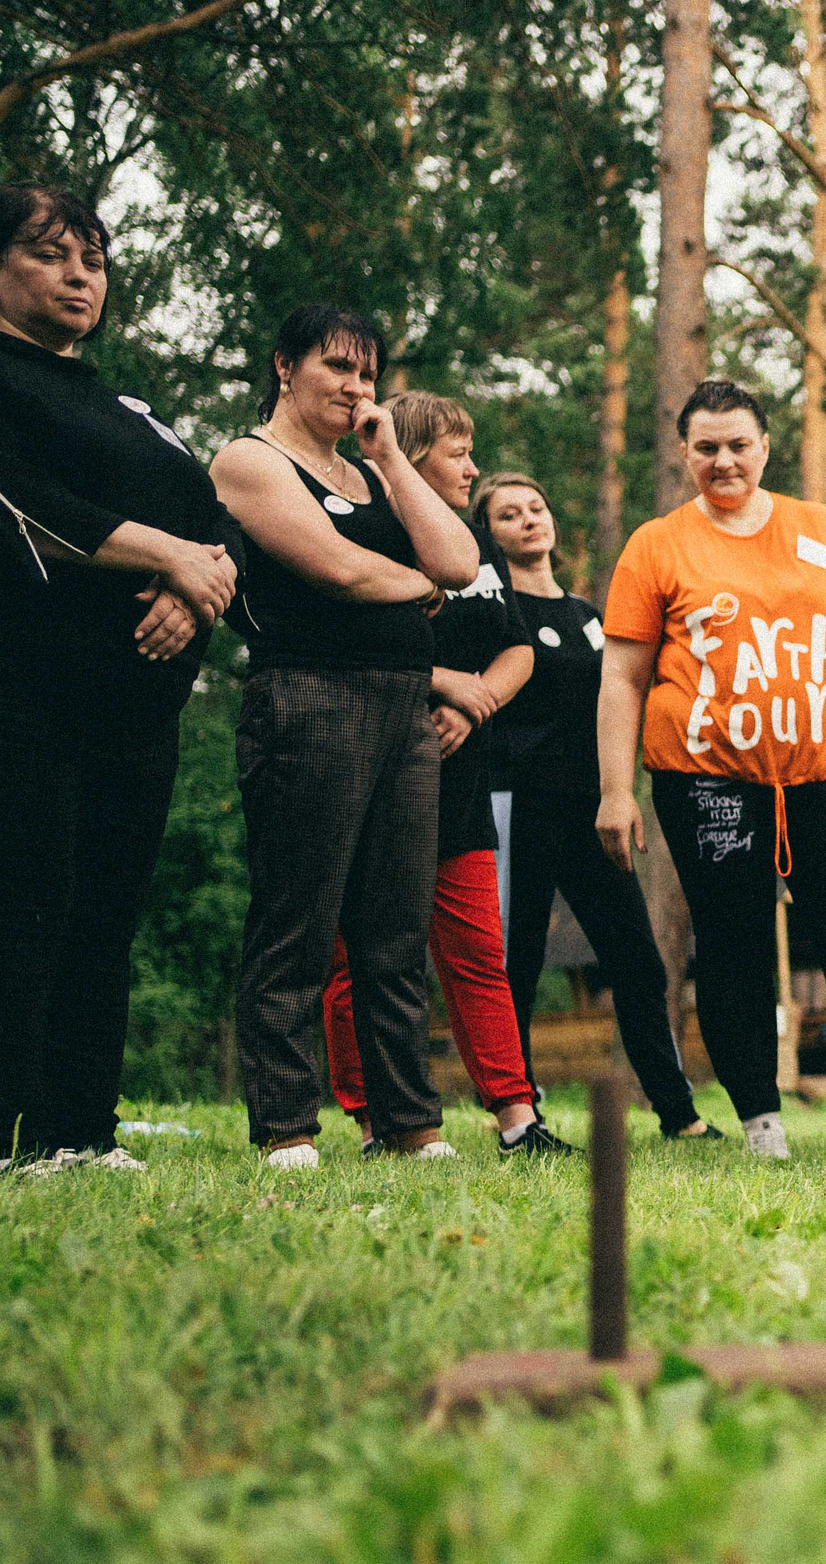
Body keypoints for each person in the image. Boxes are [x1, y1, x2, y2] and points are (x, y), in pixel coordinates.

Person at [0, 184, 240, 1177]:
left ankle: (82, 1131)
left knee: (104, 916)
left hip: (132, 702)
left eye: (95, 258)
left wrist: (197, 591)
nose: (82, 274)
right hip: (7, 688)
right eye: (51, 253)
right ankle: (3, 1139)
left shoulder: (127, 408)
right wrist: (174, 556)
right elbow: (11, 500)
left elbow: (210, 518)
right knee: (18, 899)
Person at [596, 378, 826, 1161]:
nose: (723, 460)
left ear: (765, 447)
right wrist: (616, 790)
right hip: (706, 777)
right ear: (684, 453)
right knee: (733, 939)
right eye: (706, 447)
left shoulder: (819, 530)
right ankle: (760, 1124)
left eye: (738, 444)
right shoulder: (657, 544)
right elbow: (622, 677)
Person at [212, 306, 480, 1169]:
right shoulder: (249, 459)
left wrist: (391, 455)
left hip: (403, 708)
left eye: (367, 373)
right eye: (337, 367)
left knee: (394, 931)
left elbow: (462, 562)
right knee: (298, 919)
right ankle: (287, 1125)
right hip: (308, 697)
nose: (356, 387)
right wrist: (419, 588)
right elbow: (332, 564)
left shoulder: (373, 474)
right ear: (284, 367)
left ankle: (409, 1123)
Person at [316, 395, 573, 1158]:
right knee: (354, 960)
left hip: (460, 786)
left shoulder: (474, 547)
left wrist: (477, 699)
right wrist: (442, 683)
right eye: (458, 452)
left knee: (478, 956)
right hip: (371, 770)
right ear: (412, 450)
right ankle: (371, 1119)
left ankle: (517, 1119)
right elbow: (343, 641)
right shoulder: (367, 531)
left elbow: (517, 649)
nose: (472, 467)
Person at [477, 470, 719, 1141]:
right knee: (514, 961)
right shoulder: (496, 613)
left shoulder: (592, 618)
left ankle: (678, 1112)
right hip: (517, 802)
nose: (529, 520)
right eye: (508, 515)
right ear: (487, 535)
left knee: (637, 959)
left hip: (593, 810)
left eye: (536, 506)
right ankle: (521, 1114)